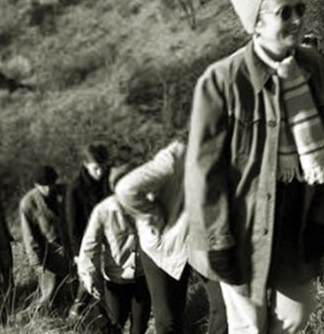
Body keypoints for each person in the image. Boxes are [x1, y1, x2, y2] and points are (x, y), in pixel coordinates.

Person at [184, 0, 324, 334]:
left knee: (297, 313)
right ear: (256, 24)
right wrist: (217, 244)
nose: (296, 19)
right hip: (240, 228)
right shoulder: (222, 81)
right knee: (249, 326)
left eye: (300, 9)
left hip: (297, 222)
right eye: (284, 13)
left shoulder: (319, 69)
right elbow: (204, 172)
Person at [115, 140, 228, 334]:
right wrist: (153, 214)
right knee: (168, 321)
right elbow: (126, 189)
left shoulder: (227, 149)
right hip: (164, 245)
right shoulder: (176, 155)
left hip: (203, 240)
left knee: (226, 305)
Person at [77, 165, 151, 334]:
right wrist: (90, 278)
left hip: (143, 276)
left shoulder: (148, 205)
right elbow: (89, 248)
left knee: (139, 328)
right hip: (115, 279)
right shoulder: (102, 211)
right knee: (114, 326)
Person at [65, 143, 111, 318]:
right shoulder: (75, 189)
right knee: (88, 283)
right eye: (96, 168)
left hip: (109, 240)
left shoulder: (109, 180)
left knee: (105, 283)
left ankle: (103, 316)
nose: (100, 172)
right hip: (86, 242)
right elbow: (73, 225)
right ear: (85, 164)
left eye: (103, 167)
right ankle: (74, 317)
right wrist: (77, 254)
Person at [19, 166, 72, 313]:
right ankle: (36, 318)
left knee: (73, 291)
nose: (48, 189)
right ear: (36, 185)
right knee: (49, 295)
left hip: (71, 249)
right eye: (43, 186)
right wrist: (36, 262)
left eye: (51, 184)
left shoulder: (67, 192)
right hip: (48, 253)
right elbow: (29, 236)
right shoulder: (28, 203)